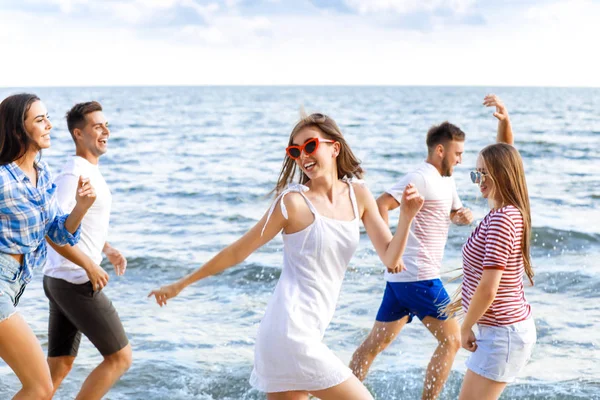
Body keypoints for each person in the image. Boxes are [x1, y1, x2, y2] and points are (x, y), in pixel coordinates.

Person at [149, 112, 424, 400]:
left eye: (309, 145)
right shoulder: (292, 203)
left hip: (304, 332)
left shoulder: (359, 195)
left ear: (335, 147)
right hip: (290, 332)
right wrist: (180, 284)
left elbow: (392, 259)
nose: (302, 156)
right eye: (295, 151)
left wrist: (406, 217)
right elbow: (238, 251)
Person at [350, 121, 473, 399]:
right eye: (457, 153)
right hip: (420, 277)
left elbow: (451, 212)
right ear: (440, 150)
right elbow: (381, 204)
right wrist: (388, 250)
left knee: (374, 344)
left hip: (401, 282)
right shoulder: (420, 177)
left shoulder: (446, 179)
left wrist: (462, 215)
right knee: (452, 341)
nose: (460, 159)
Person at [0, 93, 95, 399]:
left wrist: (81, 207)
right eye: (40, 120)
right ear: (18, 130)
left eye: (47, 117)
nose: (50, 125)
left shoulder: (43, 177)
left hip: (15, 285)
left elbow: (57, 232)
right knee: (40, 387)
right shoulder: (2, 178)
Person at [42, 101, 132, 400]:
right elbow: (53, 232)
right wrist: (90, 266)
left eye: (106, 125)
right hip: (75, 281)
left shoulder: (87, 170)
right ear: (78, 134)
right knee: (120, 358)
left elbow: (75, 222)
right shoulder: (73, 175)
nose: (105, 130)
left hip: (60, 280)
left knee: (59, 368)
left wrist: (105, 248)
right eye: (97, 126)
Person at [453, 94, 536, 400]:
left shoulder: (504, 219)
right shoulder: (505, 211)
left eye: (482, 173)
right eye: (475, 173)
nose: (478, 181)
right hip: (501, 332)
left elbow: (489, 288)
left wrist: (465, 327)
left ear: (501, 174)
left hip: (503, 335)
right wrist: (505, 124)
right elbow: (506, 157)